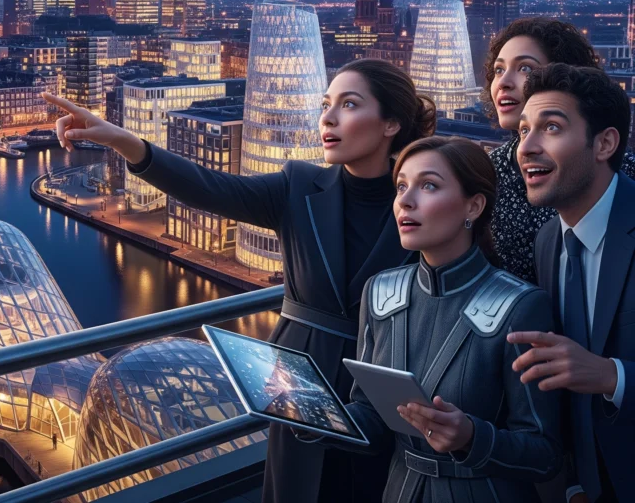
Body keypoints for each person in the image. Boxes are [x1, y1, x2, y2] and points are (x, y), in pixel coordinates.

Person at [44, 58, 437, 503]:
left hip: (385, 387)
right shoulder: (299, 186)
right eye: (326, 104)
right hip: (300, 382)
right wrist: (122, 141)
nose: (327, 117)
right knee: (299, 490)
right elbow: (210, 187)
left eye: (348, 104)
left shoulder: (429, 202)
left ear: (391, 124)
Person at [323, 136, 562, 502]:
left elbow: (545, 457)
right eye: (401, 185)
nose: (405, 200)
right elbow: (372, 420)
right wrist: (316, 416)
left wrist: (472, 437)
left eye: (428, 185)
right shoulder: (378, 293)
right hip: (399, 492)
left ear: (474, 206)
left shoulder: (522, 305)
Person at [509, 64, 635, 503]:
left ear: (604, 143)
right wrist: (577, 482)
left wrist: (610, 376)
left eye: (551, 128)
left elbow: (593, 374)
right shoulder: (548, 241)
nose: (526, 147)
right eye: (523, 131)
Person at [482, 18, 635, 282]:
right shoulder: (487, 172)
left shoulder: (622, 168)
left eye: (525, 68)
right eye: (498, 70)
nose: (504, 82)